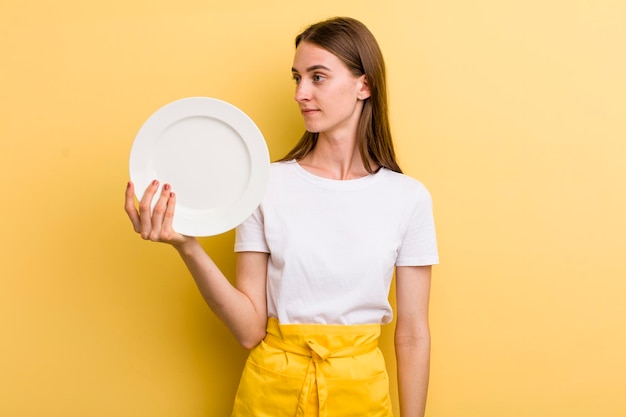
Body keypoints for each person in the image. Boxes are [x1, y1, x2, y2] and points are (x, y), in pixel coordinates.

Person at [125, 16, 438, 417]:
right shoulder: (265, 185)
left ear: (365, 85)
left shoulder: (407, 197)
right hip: (269, 393)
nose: (300, 93)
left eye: (317, 77)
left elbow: (412, 336)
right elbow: (249, 330)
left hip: (360, 397)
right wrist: (187, 246)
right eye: (297, 78)